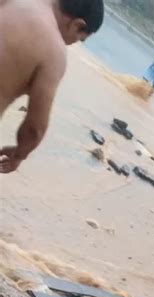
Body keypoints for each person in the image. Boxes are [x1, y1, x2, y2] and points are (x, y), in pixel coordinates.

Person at [0, 0, 104, 173]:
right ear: (77, 25)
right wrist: (19, 155)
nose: (71, 43)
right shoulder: (54, 52)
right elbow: (34, 129)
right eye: (80, 39)